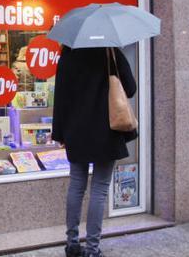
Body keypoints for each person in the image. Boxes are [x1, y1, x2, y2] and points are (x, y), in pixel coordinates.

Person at [52, 46, 137, 257]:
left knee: (76, 185)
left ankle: (72, 244)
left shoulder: (67, 57)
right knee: (99, 189)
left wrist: (60, 133)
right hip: (105, 130)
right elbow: (131, 88)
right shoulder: (110, 52)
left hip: (75, 131)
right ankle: (92, 249)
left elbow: (60, 99)